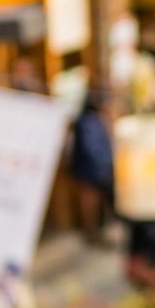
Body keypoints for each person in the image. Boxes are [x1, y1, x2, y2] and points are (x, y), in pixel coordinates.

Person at [70, 89, 115, 246]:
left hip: (91, 169)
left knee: (94, 203)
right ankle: (92, 233)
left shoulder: (90, 120)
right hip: (90, 170)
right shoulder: (90, 121)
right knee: (90, 202)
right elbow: (93, 148)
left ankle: (95, 232)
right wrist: (104, 168)